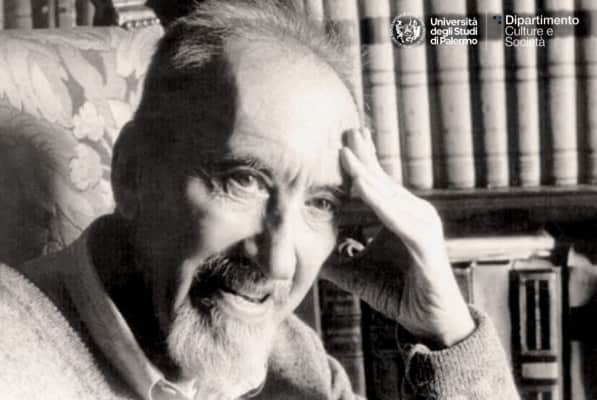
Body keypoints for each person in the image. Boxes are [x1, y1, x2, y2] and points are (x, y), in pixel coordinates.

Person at [0, 1, 519, 399]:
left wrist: (447, 331)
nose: (278, 262)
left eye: (321, 203)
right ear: (133, 173)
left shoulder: (289, 359)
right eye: (244, 180)